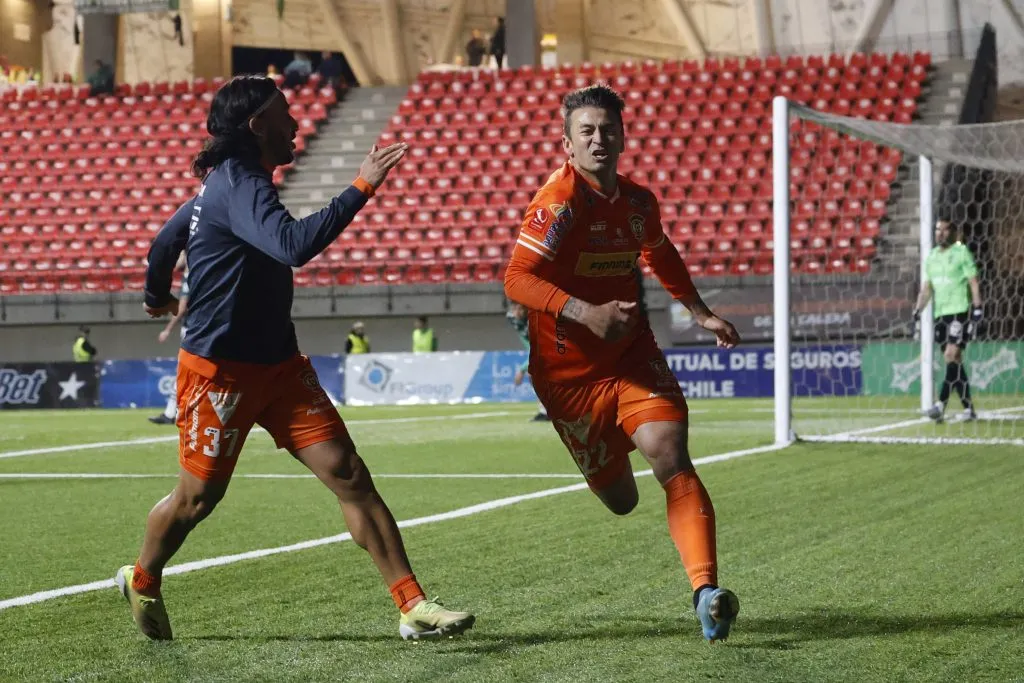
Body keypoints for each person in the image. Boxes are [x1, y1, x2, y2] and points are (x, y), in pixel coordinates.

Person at [116, 75, 473, 642]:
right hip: (220, 374)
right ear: (257, 124)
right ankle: (142, 577)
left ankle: (412, 605)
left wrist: (155, 297)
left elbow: (165, 242)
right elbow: (293, 247)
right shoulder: (239, 184)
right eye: (286, 113)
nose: (298, 123)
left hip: (280, 368)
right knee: (197, 498)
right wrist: (361, 186)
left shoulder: (225, 185)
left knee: (350, 475)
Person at [503, 84, 742, 643]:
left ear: (623, 136)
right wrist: (584, 311)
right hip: (568, 379)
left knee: (669, 452)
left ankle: (707, 594)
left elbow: (660, 253)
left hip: (631, 355)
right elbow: (516, 279)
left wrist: (700, 313)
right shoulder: (558, 203)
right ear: (567, 144)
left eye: (607, 129)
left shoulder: (638, 204)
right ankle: (608, 458)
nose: (598, 139)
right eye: (586, 131)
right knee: (621, 499)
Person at [913, 219, 983, 423]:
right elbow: (927, 288)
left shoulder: (962, 253)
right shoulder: (932, 257)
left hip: (959, 311)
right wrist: (917, 310)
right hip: (940, 315)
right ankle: (969, 409)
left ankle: (940, 404)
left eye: (945, 230)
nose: (941, 234)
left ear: (953, 233)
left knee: (951, 355)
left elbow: (973, 282)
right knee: (955, 361)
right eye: (937, 230)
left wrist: (977, 309)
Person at [150, 256, 189, 425]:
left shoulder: (189, 278)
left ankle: (173, 412)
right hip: (199, 328)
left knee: (183, 370)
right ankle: (172, 412)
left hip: (192, 330)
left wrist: (167, 329)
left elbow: (182, 308)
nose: (177, 258)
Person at [506, 302, 549, 422]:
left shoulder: (536, 319)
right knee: (533, 375)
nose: (516, 311)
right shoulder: (512, 317)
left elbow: (539, 347)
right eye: (514, 307)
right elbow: (527, 343)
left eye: (519, 308)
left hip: (554, 346)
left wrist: (522, 369)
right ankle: (545, 411)